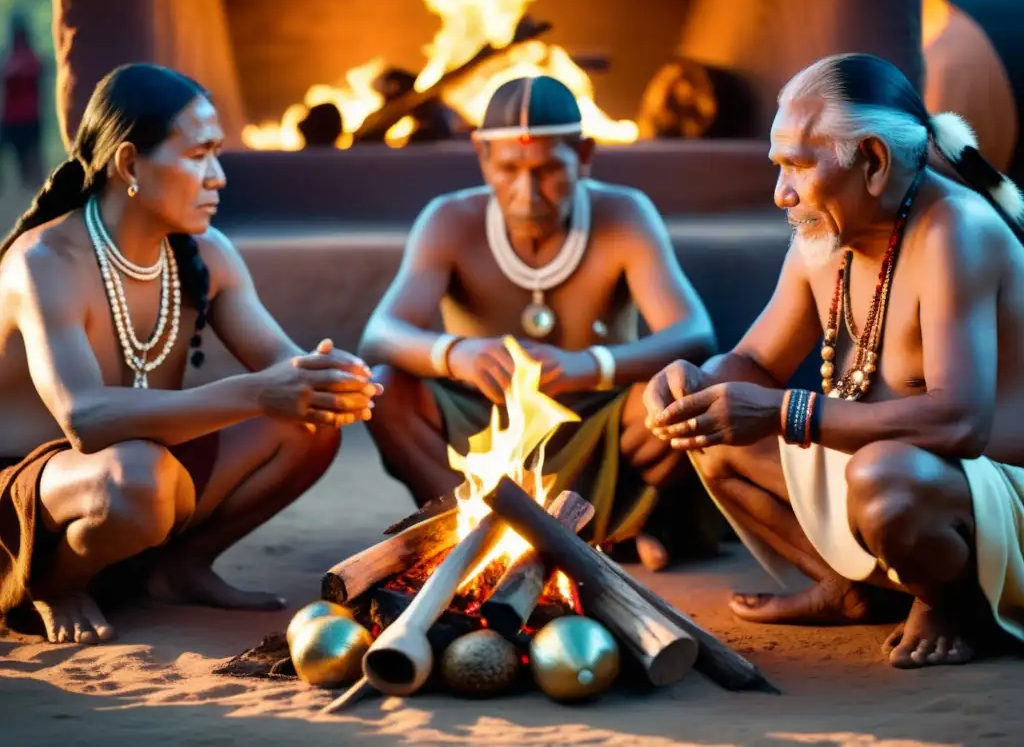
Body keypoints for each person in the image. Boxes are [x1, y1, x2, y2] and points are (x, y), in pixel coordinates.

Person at [644, 52, 1024, 668]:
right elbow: (755, 363)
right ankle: (847, 589)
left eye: (796, 166)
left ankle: (950, 604)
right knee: (711, 434)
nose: (780, 194)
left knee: (884, 479)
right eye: (778, 166)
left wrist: (786, 413)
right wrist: (698, 384)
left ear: (872, 162)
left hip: (993, 494)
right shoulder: (824, 237)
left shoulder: (957, 230)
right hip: (887, 474)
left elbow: (961, 422)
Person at [0, 63, 380, 645]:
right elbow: (86, 420)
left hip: (139, 477)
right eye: (199, 155)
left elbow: (284, 368)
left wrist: (328, 379)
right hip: (31, 504)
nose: (219, 176)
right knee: (141, 480)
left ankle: (177, 570)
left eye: (218, 154)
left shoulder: (207, 255)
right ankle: (53, 584)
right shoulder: (45, 261)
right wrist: (257, 391)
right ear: (129, 165)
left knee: (308, 425)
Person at [360, 75, 718, 571]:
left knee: (683, 394)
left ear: (585, 154)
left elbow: (693, 334)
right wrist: (455, 354)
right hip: (483, 419)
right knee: (386, 392)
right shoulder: (450, 220)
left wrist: (588, 366)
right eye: (509, 168)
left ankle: (616, 526)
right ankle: (461, 530)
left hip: (598, 420)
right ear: (483, 156)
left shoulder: (624, 214)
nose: (527, 192)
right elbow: (380, 334)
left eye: (549, 169)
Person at [0, 13, 43, 191]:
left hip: (28, 119)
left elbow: (24, 74)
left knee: (30, 163)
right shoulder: (7, 56)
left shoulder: (31, 58)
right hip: (11, 119)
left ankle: (32, 193)